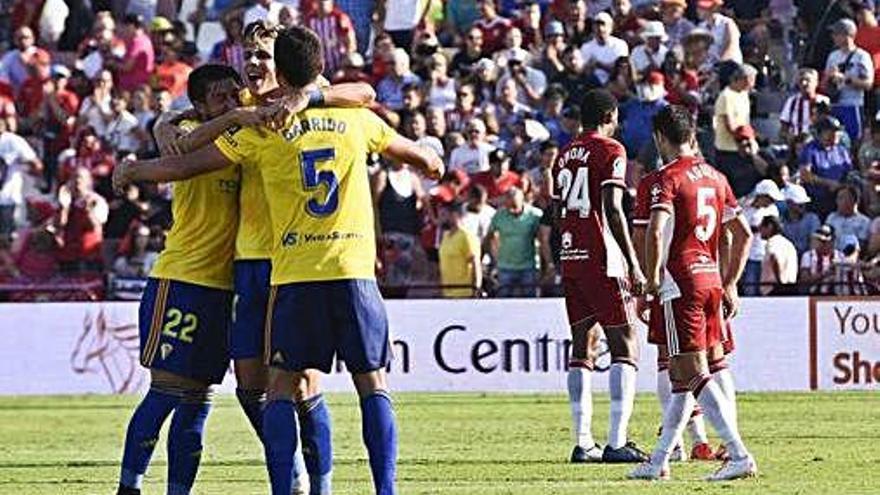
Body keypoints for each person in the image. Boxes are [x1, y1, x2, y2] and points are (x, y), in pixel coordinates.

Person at [115, 26, 444, 495]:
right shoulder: (248, 113)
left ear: (282, 65)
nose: (253, 62)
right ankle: (294, 480)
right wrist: (168, 121)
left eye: (263, 55)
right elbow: (191, 125)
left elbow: (361, 90)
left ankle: (315, 484)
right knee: (253, 387)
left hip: (290, 266)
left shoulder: (317, 103)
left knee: (298, 388)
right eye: (248, 54)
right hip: (251, 266)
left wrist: (138, 166)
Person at [111, 65, 243, 495]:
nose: (232, 102)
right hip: (181, 278)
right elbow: (177, 157)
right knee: (166, 391)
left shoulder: (244, 134)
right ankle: (129, 486)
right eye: (221, 97)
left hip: (223, 287)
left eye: (235, 94)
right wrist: (154, 137)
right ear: (200, 105)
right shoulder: (186, 129)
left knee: (199, 400)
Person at [630, 105, 756, 481]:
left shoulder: (663, 179)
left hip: (679, 281)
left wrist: (650, 280)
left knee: (685, 368)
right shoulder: (715, 177)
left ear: (660, 138)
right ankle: (659, 460)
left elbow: (653, 232)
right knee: (686, 376)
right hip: (711, 278)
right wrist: (731, 281)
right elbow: (743, 234)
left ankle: (738, 453)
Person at [551, 89, 647, 464]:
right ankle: (616, 441)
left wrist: (571, 243)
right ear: (609, 115)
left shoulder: (564, 155)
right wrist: (634, 263)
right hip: (602, 258)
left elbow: (558, 213)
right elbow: (612, 206)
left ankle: (583, 442)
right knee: (625, 344)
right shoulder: (611, 151)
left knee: (582, 347)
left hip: (571, 256)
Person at [823, 18, 874, 142]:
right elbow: (825, 82)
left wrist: (847, 79)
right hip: (836, 103)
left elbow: (869, 84)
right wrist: (830, 78)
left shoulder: (861, 56)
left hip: (853, 104)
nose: (833, 37)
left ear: (847, 35)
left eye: (836, 34)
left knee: (854, 139)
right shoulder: (833, 56)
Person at [488, 186, 542, 298]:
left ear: (522, 201)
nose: (512, 209)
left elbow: (543, 239)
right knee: (503, 302)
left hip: (528, 267)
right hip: (505, 267)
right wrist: (493, 258)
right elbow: (490, 237)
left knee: (530, 302)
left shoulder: (535, 215)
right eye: (509, 205)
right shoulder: (499, 216)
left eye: (514, 205)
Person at [713, 64, 755, 198]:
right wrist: (745, 138)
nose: (753, 84)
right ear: (743, 79)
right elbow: (730, 126)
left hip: (742, 149)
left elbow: (745, 122)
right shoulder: (725, 96)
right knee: (729, 191)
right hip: (728, 151)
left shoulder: (744, 95)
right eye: (751, 80)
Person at [799, 116, 853, 218]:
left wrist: (841, 185)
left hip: (839, 194)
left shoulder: (841, 150)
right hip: (818, 198)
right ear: (821, 133)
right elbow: (805, 175)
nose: (835, 134)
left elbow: (849, 172)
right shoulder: (810, 149)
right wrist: (828, 183)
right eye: (831, 131)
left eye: (837, 131)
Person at [438, 201, 482, 298]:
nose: (440, 219)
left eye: (443, 214)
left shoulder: (466, 236)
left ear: (454, 215)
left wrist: (476, 290)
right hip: (448, 294)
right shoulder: (445, 237)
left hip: (464, 293)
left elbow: (475, 264)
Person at [779, 68, 829, 144]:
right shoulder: (792, 101)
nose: (804, 83)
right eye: (801, 81)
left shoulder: (823, 101)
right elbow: (783, 129)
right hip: (796, 143)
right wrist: (788, 136)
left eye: (807, 80)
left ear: (816, 83)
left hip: (817, 142)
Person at [579, 11, 629, 86]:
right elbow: (583, 71)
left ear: (611, 27)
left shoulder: (620, 44)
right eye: (596, 25)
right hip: (594, 85)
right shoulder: (586, 47)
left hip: (615, 84)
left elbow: (621, 71)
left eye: (603, 25)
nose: (600, 29)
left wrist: (599, 64)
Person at [759, 215, 798, 295]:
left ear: (769, 227)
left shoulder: (772, 242)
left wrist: (779, 281)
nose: (759, 230)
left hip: (775, 289)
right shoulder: (789, 243)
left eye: (762, 227)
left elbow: (774, 257)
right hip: (791, 287)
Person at [825, 185, 871, 252]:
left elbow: (861, 244)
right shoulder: (831, 217)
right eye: (838, 198)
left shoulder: (864, 221)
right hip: (831, 254)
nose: (838, 201)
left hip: (851, 257)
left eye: (841, 198)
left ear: (855, 201)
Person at [799, 224, 843, 294]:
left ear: (833, 241)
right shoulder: (808, 256)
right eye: (819, 240)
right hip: (814, 294)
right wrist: (824, 274)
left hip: (836, 295)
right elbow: (804, 279)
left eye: (825, 242)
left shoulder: (840, 256)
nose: (822, 244)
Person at [782, 183, 821, 257]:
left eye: (804, 203)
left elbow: (814, 245)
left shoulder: (812, 219)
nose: (803, 206)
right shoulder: (781, 221)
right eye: (799, 203)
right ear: (789, 203)